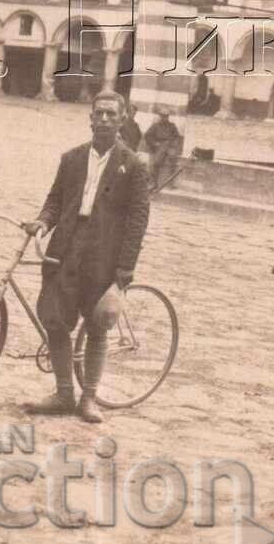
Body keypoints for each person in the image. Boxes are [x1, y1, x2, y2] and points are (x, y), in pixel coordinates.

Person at [23, 90, 149, 422]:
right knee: (54, 318)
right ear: (90, 118)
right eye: (99, 114)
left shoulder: (133, 165)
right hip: (66, 248)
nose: (104, 119)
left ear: (123, 120)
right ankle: (64, 393)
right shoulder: (72, 159)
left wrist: (123, 274)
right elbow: (55, 200)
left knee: (97, 326)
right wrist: (42, 221)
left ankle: (89, 397)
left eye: (112, 114)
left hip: (104, 254)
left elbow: (137, 223)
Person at [145, 107, 181, 189]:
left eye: (166, 116)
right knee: (156, 163)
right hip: (160, 146)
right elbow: (148, 135)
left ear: (168, 117)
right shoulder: (155, 125)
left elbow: (177, 136)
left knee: (173, 159)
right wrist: (154, 143)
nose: (164, 118)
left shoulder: (172, 126)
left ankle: (171, 183)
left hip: (169, 146)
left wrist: (174, 145)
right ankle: (153, 183)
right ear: (160, 116)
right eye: (163, 116)